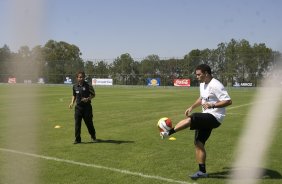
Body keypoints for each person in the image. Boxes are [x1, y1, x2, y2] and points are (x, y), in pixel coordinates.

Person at [161, 64, 232, 179]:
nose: (197, 76)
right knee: (199, 144)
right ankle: (202, 172)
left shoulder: (216, 84)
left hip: (215, 117)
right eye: (196, 74)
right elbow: (201, 98)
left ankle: (169, 132)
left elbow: (228, 101)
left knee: (192, 118)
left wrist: (212, 105)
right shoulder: (202, 84)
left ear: (206, 74)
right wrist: (192, 107)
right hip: (207, 116)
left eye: (199, 74)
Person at [69, 71, 97, 144]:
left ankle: (93, 136)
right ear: (77, 78)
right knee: (77, 124)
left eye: (82, 77)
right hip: (78, 108)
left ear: (84, 77)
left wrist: (87, 99)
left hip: (87, 108)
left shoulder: (88, 85)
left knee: (89, 123)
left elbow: (93, 95)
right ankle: (78, 139)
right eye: (79, 77)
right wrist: (72, 102)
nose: (80, 78)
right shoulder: (74, 86)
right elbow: (74, 95)